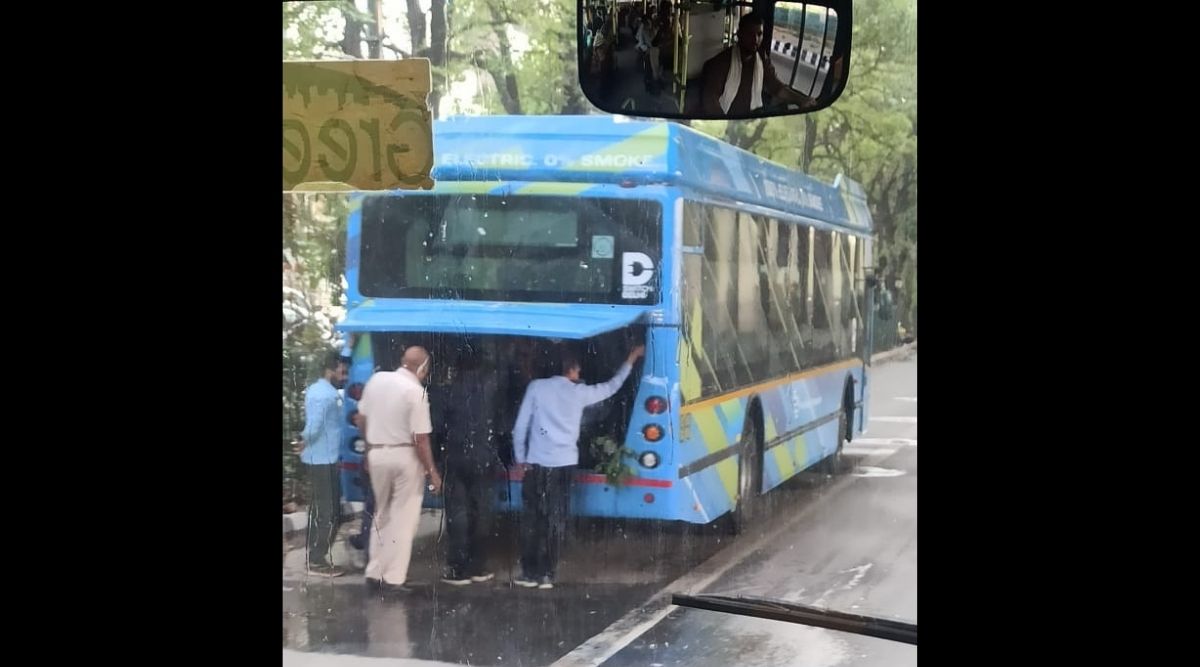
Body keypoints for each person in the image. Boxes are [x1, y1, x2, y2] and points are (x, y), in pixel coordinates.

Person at [511, 344, 645, 589]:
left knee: (532, 519)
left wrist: (521, 460)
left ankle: (529, 572)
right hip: (564, 465)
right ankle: (547, 573)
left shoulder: (536, 388)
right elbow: (612, 387)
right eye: (577, 368)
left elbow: (520, 427)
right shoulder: (579, 393)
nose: (580, 371)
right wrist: (631, 359)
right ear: (570, 369)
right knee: (555, 517)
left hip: (536, 465)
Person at [356, 345, 443, 594]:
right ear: (423, 368)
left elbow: (361, 418)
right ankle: (393, 578)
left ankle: (374, 572)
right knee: (403, 519)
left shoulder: (377, 380)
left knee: (381, 514)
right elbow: (421, 439)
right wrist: (432, 472)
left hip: (377, 454)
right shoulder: (415, 391)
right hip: (405, 456)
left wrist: (369, 449)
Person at [438, 350, 504, 585]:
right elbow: (501, 424)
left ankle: (457, 568)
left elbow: (439, 426)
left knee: (458, 513)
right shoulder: (491, 390)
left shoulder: (449, 391)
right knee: (482, 512)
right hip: (484, 458)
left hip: (455, 457)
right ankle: (478, 566)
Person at [700, 11, 817, 116]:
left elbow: (777, 87)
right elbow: (711, 103)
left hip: (755, 117)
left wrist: (801, 100)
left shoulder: (761, 58)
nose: (755, 39)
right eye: (750, 34)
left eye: (759, 34)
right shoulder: (720, 63)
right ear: (739, 34)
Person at [297, 350, 349, 577]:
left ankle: (315, 557)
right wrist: (302, 440)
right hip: (323, 459)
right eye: (342, 370)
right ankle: (316, 560)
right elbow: (314, 426)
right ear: (331, 369)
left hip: (323, 458)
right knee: (329, 511)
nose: (345, 375)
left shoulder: (320, 390)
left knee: (322, 509)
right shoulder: (324, 394)